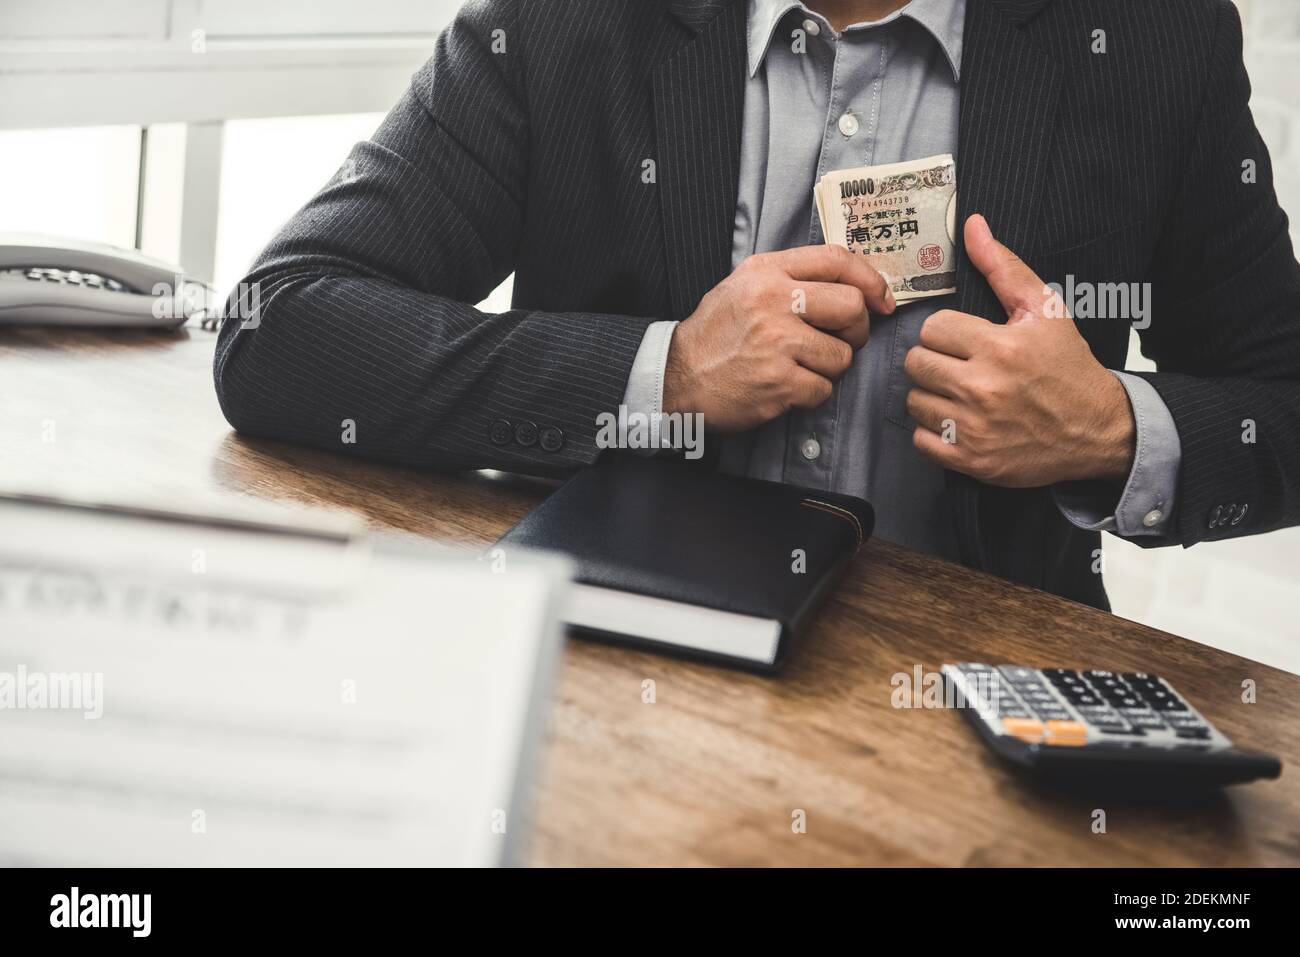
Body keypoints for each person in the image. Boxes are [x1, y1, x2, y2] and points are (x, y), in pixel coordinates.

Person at [214, 0, 1300, 608]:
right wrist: (663, 375)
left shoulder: (1155, 38)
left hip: (990, 726)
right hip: (610, 673)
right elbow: (282, 325)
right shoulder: (555, 27)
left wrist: (1111, 431)